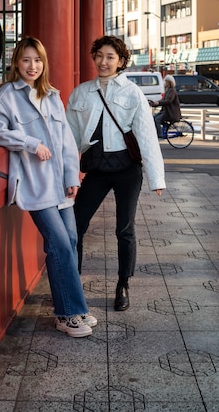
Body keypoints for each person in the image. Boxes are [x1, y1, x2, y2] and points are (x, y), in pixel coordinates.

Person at [0, 37, 96, 338]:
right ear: (16, 63)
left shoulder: (52, 96)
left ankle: (73, 307)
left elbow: (66, 142)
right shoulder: (7, 95)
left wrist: (72, 177)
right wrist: (30, 144)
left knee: (70, 241)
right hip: (35, 185)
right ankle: (69, 313)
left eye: (37, 60)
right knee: (58, 244)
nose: (32, 66)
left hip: (60, 183)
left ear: (44, 64)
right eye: (26, 60)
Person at [66, 35, 165, 312]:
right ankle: (73, 282)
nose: (103, 61)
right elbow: (69, 138)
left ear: (121, 61)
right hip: (96, 169)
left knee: (124, 229)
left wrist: (156, 177)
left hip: (127, 171)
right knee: (76, 223)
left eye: (110, 57)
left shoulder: (132, 92)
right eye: (99, 55)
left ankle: (123, 283)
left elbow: (146, 136)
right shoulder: (81, 92)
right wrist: (67, 174)